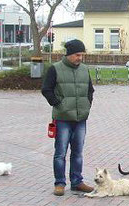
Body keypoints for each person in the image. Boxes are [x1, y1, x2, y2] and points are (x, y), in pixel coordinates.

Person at [41, 39, 95, 196]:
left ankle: (77, 181)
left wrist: (87, 105)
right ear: (69, 54)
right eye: (77, 55)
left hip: (80, 118)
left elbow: (90, 90)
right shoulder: (55, 69)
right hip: (63, 118)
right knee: (60, 153)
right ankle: (59, 183)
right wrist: (59, 104)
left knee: (77, 153)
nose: (80, 58)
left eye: (82, 55)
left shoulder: (85, 70)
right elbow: (46, 89)